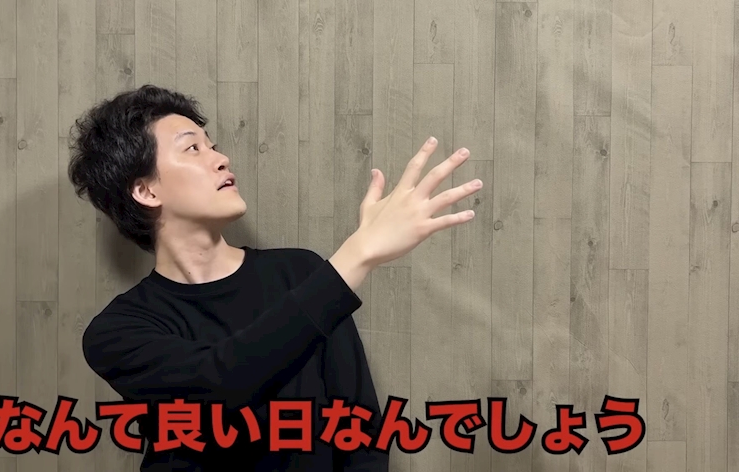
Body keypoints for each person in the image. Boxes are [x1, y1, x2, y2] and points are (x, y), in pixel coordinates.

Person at [68, 84, 481, 471]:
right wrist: (359, 252)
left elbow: (360, 427)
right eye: (192, 148)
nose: (220, 158)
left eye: (213, 145)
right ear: (146, 191)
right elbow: (216, 387)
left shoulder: (300, 274)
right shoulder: (116, 333)